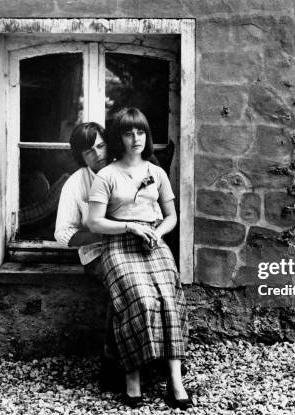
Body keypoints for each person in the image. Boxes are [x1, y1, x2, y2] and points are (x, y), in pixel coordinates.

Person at [87, 108, 191, 409]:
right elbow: (95, 223)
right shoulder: (107, 175)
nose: (136, 138)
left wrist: (157, 233)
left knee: (168, 299)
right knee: (140, 299)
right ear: (119, 137)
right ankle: (132, 376)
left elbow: (171, 216)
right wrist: (130, 226)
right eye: (129, 133)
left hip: (153, 243)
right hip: (118, 245)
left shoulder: (156, 172)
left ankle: (175, 379)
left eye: (141, 132)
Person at [54, 122, 121, 390]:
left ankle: (161, 358)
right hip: (97, 254)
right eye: (88, 151)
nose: (97, 154)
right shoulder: (76, 183)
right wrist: (104, 234)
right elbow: (62, 234)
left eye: (101, 145)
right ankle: (112, 366)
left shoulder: (123, 170)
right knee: (123, 284)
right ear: (81, 156)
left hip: (131, 247)